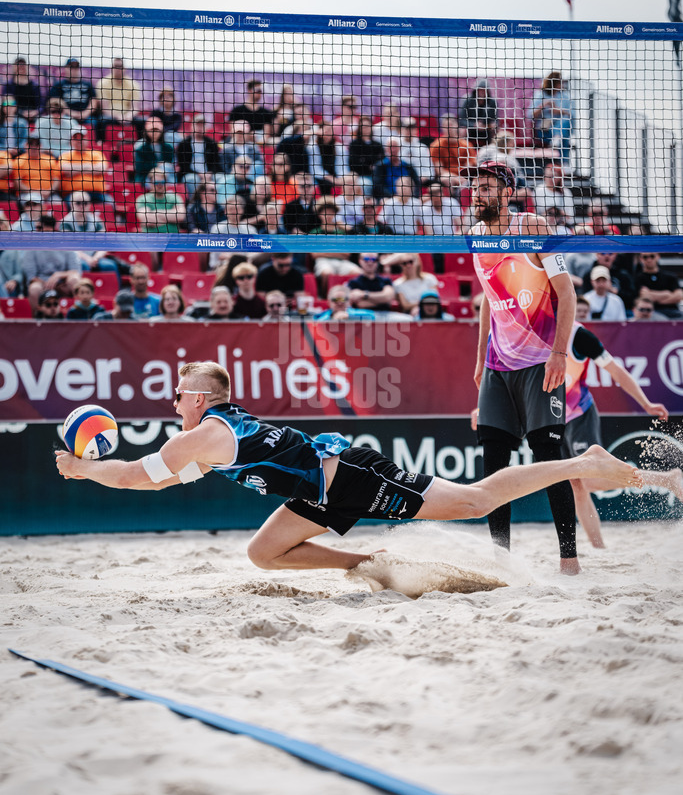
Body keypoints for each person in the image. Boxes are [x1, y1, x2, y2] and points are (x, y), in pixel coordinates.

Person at [55, 361, 643, 581]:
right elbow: (163, 477)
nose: (172, 404)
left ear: (202, 399)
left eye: (179, 395)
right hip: (315, 494)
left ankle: (578, 461)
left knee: (474, 501)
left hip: (350, 476)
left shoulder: (203, 434)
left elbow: (137, 476)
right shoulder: (207, 439)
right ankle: (373, 565)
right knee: (263, 553)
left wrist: (84, 470)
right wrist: (99, 468)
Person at [470, 160, 581, 575]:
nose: (477, 194)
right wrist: (480, 358)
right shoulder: (476, 236)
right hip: (498, 365)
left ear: (506, 193)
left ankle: (568, 560)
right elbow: (486, 297)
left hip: (540, 361)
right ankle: (502, 561)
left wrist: (559, 353)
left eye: (485, 188)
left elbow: (566, 294)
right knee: (494, 464)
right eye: (475, 188)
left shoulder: (531, 227)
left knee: (548, 456)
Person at [561, 312, 681, 548]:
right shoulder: (529, 330)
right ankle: (599, 549)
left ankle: (667, 479)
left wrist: (645, 402)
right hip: (554, 418)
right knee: (575, 485)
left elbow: (616, 371)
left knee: (590, 481)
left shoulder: (578, 335)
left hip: (579, 414)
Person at [529, 71, 574, 166]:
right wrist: (543, 105)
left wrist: (559, 111)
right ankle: (564, 162)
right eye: (559, 81)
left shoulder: (564, 97)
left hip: (560, 128)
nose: (561, 84)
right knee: (563, 136)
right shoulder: (540, 95)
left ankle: (557, 137)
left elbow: (571, 114)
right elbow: (530, 115)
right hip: (545, 131)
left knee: (564, 124)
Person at [58, 128, 110, 202]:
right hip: (72, 194)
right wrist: (90, 168)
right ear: (71, 141)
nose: (79, 141)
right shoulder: (65, 155)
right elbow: (65, 169)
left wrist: (75, 171)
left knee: (110, 204)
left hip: (97, 194)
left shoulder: (96, 154)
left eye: (82, 138)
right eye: (76, 138)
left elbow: (102, 169)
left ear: (87, 139)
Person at [95, 58, 141, 141]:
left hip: (128, 116)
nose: (118, 69)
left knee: (143, 121)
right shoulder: (103, 83)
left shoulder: (133, 84)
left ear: (125, 68)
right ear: (111, 68)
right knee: (101, 121)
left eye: (120, 66)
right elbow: (105, 109)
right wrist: (118, 116)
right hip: (110, 116)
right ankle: (102, 145)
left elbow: (135, 107)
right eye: (116, 66)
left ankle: (141, 145)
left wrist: (129, 115)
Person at [177, 115, 222, 196]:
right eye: (198, 125)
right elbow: (183, 166)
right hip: (191, 174)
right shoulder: (184, 144)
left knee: (222, 179)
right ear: (192, 126)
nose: (200, 127)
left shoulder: (212, 143)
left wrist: (209, 173)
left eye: (202, 125)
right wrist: (199, 174)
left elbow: (216, 163)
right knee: (191, 179)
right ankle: (194, 203)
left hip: (209, 174)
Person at [47, 58, 98, 124]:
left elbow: (93, 101)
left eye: (76, 67)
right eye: (71, 67)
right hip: (65, 116)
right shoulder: (58, 85)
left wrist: (85, 113)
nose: (74, 69)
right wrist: (71, 113)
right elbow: (54, 102)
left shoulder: (87, 84)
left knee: (93, 122)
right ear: (65, 68)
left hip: (86, 116)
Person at [634, 252, 683, 319]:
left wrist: (652, 295)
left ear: (658, 256)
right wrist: (666, 294)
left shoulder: (670, 276)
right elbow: (643, 296)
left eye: (652, 256)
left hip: (673, 312)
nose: (649, 259)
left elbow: (679, 296)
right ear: (641, 259)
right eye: (645, 257)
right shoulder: (637, 278)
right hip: (651, 312)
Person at [12, 136, 61, 202]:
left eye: (36, 145)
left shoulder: (50, 160)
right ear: (25, 145)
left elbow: (56, 180)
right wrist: (34, 192)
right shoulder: (19, 161)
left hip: (49, 195)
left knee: (58, 203)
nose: (34, 147)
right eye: (31, 144)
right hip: (27, 195)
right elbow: (17, 183)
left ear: (41, 146)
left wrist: (49, 191)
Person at [133, 117, 175, 185]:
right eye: (152, 130)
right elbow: (140, 167)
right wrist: (157, 164)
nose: (154, 133)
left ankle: (169, 188)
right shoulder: (141, 148)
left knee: (166, 167)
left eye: (156, 130)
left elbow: (170, 164)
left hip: (165, 177)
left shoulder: (168, 147)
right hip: (147, 178)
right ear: (146, 131)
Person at [459, 79, 498, 147]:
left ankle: (493, 149)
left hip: (486, 130)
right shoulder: (467, 101)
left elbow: (496, 120)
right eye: (480, 90)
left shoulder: (492, 102)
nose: (482, 92)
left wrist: (492, 124)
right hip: (471, 130)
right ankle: (464, 149)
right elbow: (461, 120)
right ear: (476, 90)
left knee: (496, 130)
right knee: (463, 130)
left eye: (484, 90)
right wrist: (474, 125)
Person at [348, 116, 385, 182]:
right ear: (360, 128)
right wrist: (369, 165)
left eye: (368, 126)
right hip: (361, 177)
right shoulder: (354, 144)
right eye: (364, 126)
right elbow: (354, 162)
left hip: (378, 176)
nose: (366, 129)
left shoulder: (377, 144)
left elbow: (382, 159)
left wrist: (365, 160)